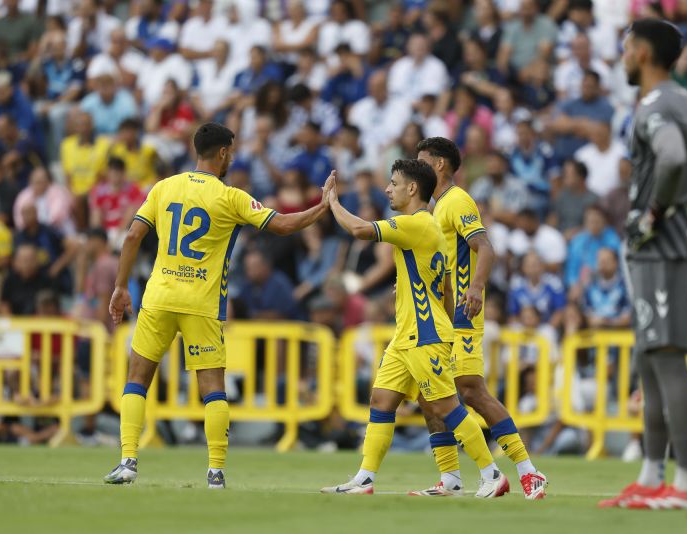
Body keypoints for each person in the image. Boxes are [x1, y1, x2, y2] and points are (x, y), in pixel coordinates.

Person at [103, 123, 335, 489]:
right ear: (224, 152)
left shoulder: (164, 187)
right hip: (202, 303)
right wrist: (323, 206)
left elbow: (133, 235)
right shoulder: (231, 197)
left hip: (159, 297)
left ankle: (128, 461)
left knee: (137, 379)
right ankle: (215, 472)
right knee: (212, 388)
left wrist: (119, 287)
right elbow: (284, 225)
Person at [599, 20, 687, 511]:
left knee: (668, 361)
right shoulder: (686, 103)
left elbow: (674, 157)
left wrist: (658, 215)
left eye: (625, 48)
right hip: (671, 247)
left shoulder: (657, 105)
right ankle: (653, 475)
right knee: (652, 362)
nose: (622, 57)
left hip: (663, 249)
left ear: (640, 51)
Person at [321, 159, 509, 498]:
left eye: (393, 183)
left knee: (445, 407)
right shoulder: (426, 228)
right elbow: (445, 287)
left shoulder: (416, 223)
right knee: (381, 400)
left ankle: (492, 473)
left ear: (412, 188)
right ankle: (365, 478)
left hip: (424, 334)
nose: (387, 189)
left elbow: (361, 230)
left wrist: (332, 202)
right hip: (408, 334)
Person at [415, 137, 547, 499]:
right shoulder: (436, 205)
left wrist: (475, 288)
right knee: (429, 396)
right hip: (439, 315)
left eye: (421, 160)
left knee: (470, 389)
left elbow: (485, 246)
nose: (416, 167)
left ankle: (527, 471)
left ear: (440, 164)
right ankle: (450, 478)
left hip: (462, 313)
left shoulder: (458, 201)